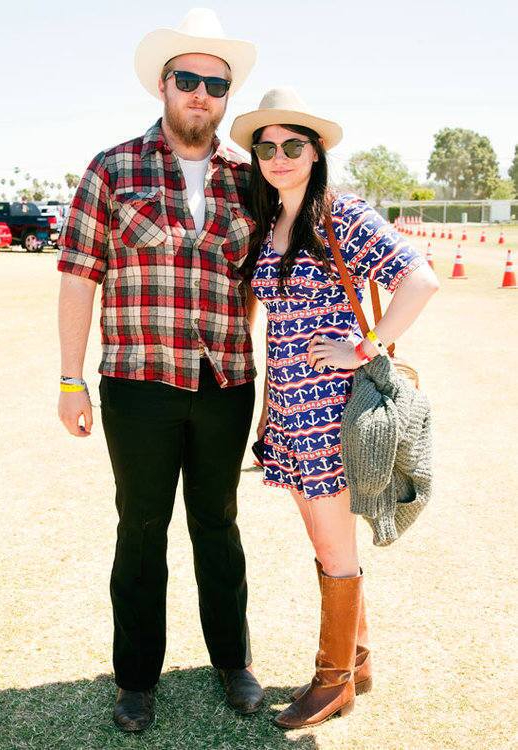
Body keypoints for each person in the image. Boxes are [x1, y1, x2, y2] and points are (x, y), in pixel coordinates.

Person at [57, 9, 264, 733]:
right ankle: (136, 679)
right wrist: (69, 378)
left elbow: (267, 277)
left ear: (226, 96)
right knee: (140, 528)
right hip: (139, 383)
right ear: (164, 85)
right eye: (189, 79)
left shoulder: (250, 180)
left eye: (216, 82)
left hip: (227, 381)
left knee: (219, 524)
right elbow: (79, 277)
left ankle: (233, 663)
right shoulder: (112, 168)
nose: (201, 93)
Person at [230, 87, 439, 729]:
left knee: (333, 546)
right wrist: (269, 411)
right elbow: (277, 328)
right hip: (289, 410)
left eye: (292, 145)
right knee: (326, 541)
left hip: (332, 409)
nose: (278, 157)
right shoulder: (271, 227)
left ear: (316, 152)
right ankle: (360, 657)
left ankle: (334, 679)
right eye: (266, 147)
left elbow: (420, 278)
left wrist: (366, 346)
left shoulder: (340, 216)